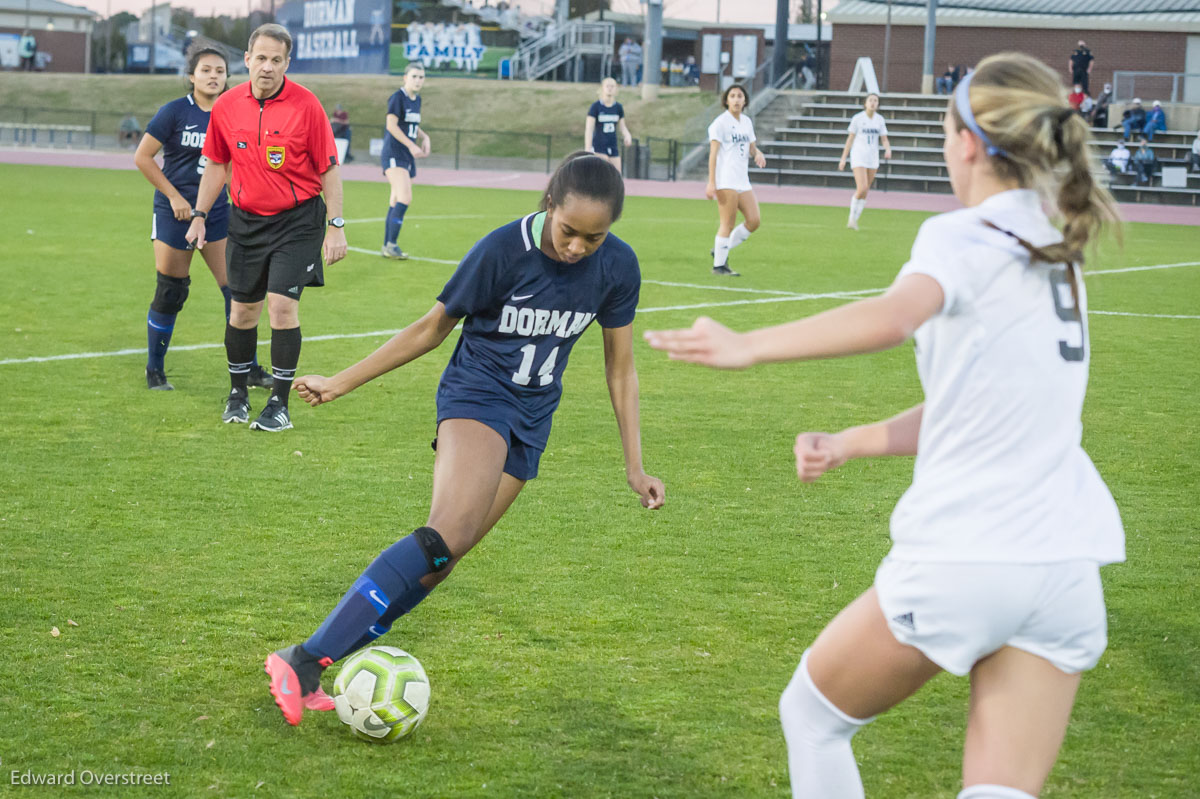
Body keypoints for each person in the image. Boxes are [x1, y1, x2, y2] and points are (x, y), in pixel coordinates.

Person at [645, 52, 1124, 799]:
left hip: (969, 553)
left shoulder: (961, 235)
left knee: (811, 716)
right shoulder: (1058, 248)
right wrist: (854, 440)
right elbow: (982, 405)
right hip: (1066, 568)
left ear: (967, 142)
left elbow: (895, 317)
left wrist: (750, 345)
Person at [262, 153, 666, 725]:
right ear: (550, 203)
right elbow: (431, 328)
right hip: (478, 396)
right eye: (569, 231)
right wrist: (340, 383)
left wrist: (635, 465)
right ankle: (301, 661)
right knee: (442, 535)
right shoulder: (503, 250)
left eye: (593, 238)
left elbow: (620, 369)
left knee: (443, 559)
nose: (577, 247)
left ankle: (312, 665)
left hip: (534, 417)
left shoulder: (618, 267)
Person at [185, 23, 347, 433]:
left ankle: (279, 403)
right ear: (247, 60)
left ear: (287, 63)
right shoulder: (226, 106)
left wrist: (336, 226)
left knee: (281, 307)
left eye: (277, 60)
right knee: (242, 312)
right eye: (261, 58)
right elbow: (218, 164)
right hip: (245, 221)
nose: (268, 67)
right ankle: (238, 393)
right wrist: (200, 214)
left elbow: (329, 168)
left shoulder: (307, 105)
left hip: (298, 222)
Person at [134, 46, 270, 392]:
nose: (214, 76)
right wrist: (175, 197)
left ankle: (250, 368)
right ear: (192, 76)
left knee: (238, 291)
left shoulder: (236, 111)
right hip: (175, 212)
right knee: (171, 291)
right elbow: (143, 157)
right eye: (206, 70)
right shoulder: (175, 112)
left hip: (219, 213)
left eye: (220, 71)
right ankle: (155, 369)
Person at [706, 83, 767, 277]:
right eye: (732, 96)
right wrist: (711, 182)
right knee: (728, 223)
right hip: (726, 180)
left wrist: (758, 153)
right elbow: (713, 154)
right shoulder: (720, 123)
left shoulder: (747, 122)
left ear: (745, 100)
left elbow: (751, 148)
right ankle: (719, 266)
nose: (736, 99)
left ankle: (721, 251)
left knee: (754, 220)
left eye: (740, 96)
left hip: (742, 180)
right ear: (726, 100)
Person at [381, 62, 431, 260]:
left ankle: (387, 245)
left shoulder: (416, 100)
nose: (418, 80)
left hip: (405, 155)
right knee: (405, 197)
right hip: (394, 153)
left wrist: (424, 136)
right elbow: (392, 126)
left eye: (421, 77)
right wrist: (411, 145)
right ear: (405, 78)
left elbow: (411, 125)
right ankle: (392, 245)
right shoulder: (398, 97)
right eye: (414, 76)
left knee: (395, 200)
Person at [838, 92, 893, 231]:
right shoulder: (858, 118)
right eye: (871, 100)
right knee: (861, 188)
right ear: (865, 103)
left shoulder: (879, 120)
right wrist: (843, 158)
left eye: (875, 100)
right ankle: (851, 218)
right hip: (859, 156)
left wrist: (888, 149)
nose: (873, 103)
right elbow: (850, 139)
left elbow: (884, 138)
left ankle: (855, 220)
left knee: (865, 190)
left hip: (872, 157)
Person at [585, 77, 633, 173]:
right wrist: (588, 148)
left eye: (612, 86)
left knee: (617, 175)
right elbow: (589, 129)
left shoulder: (618, 107)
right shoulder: (596, 107)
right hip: (599, 145)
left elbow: (622, 127)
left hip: (612, 145)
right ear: (602, 88)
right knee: (603, 173)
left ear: (616, 89)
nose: (610, 88)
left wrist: (628, 136)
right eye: (607, 86)